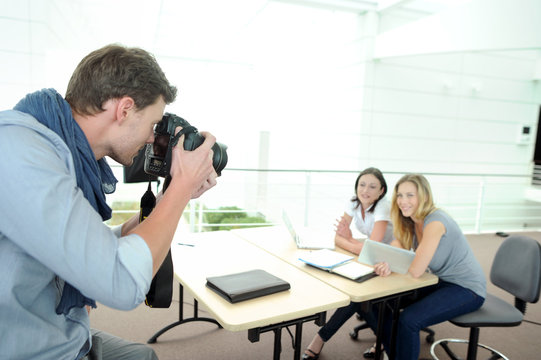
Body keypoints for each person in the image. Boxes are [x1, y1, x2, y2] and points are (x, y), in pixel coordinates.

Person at [0, 44, 218, 360]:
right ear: (125, 109)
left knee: (143, 357)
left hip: (60, 330)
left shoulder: (67, 155)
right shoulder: (21, 154)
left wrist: (167, 199)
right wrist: (180, 190)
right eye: (152, 124)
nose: (150, 138)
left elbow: (95, 250)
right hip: (29, 347)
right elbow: (121, 283)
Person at [360, 174, 486, 360]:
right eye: (400, 195)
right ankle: (394, 352)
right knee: (375, 302)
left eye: (410, 195)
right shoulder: (411, 220)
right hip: (440, 281)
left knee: (409, 320)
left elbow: (417, 270)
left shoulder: (435, 222)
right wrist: (388, 261)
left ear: (424, 197)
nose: (403, 201)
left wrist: (392, 261)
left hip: (467, 288)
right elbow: (397, 246)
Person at [303, 167, 393, 360]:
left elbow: (373, 249)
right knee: (355, 293)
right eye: (362, 184)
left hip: (391, 262)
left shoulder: (383, 207)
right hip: (372, 259)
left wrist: (352, 241)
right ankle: (385, 341)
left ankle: (320, 339)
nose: (365, 190)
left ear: (382, 191)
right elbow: (337, 238)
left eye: (372, 186)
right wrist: (355, 243)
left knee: (357, 297)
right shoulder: (354, 202)